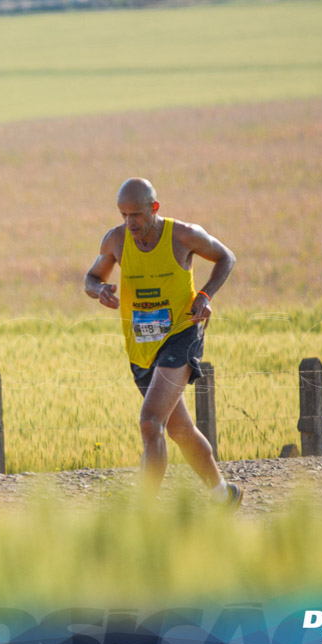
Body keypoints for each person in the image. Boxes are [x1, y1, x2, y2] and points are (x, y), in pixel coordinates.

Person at [84, 177, 242, 507]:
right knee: (179, 429)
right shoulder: (116, 241)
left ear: (154, 209)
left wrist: (205, 294)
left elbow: (226, 257)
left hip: (181, 336)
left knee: (149, 422)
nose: (130, 223)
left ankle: (142, 512)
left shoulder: (182, 235)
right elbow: (91, 277)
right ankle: (223, 494)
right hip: (141, 346)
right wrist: (100, 290)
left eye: (137, 215)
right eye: (124, 215)